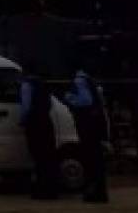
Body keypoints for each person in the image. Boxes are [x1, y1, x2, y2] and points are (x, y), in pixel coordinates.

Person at [64, 68, 109, 204]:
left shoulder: (79, 81)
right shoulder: (91, 82)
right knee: (97, 160)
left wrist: (69, 98)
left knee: (90, 159)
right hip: (95, 126)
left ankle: (94, 192)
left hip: (87, 125)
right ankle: (99, 192)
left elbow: (86, 101)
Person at [20, 72, 59, 200]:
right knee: (48, 156)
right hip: (46, 123)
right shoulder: (42, 84)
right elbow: (50, 104)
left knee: (38, 157)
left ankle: (41, 189)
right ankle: (51, 189)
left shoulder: (26, 85)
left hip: (34, 123)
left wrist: (23, 120)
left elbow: (26, 107)